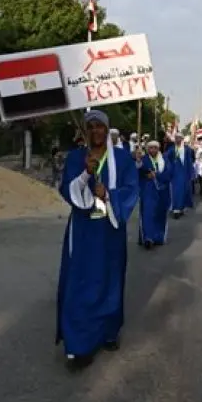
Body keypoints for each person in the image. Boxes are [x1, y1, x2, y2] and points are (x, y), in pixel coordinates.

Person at [56, 110, 139, 369]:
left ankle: (108, 330)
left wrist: (109, 194)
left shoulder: (123, 159)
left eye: (99, 126)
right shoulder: (75, 158)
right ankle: (78, 345)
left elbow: (131, 188)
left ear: (107, 129)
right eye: (90, 127)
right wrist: (84, 175)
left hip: (109, 230)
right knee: (79, 282)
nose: (95, 131)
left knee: (109, 279)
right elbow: (66, 189)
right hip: (82, 230)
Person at [136, 140, 173, 248]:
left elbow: (169, 174)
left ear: (158, 149)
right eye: (150, 148)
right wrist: (138, 162)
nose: (153, 150)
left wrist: (156, 175)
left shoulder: (164, 160)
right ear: (147, 149)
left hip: (162, 191)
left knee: (159, 215)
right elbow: (138, 171)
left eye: (155, 148)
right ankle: (148, 238)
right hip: (148, 191)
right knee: (147, 213)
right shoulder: (144, 159)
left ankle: (157, 237)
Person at [167, 133, 196, 218]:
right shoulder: (172, 149)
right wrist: (170, 168)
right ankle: (176, 210)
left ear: (182, 139)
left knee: (185, 190)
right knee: (177, 191)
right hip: (175, 173)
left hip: (185, 173)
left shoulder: (187, 149)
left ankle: (182, 208)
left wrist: (192, 173)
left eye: (179, 138)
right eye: (176, 138)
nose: (177, 140)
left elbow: (190, 161)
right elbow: (166, 158)